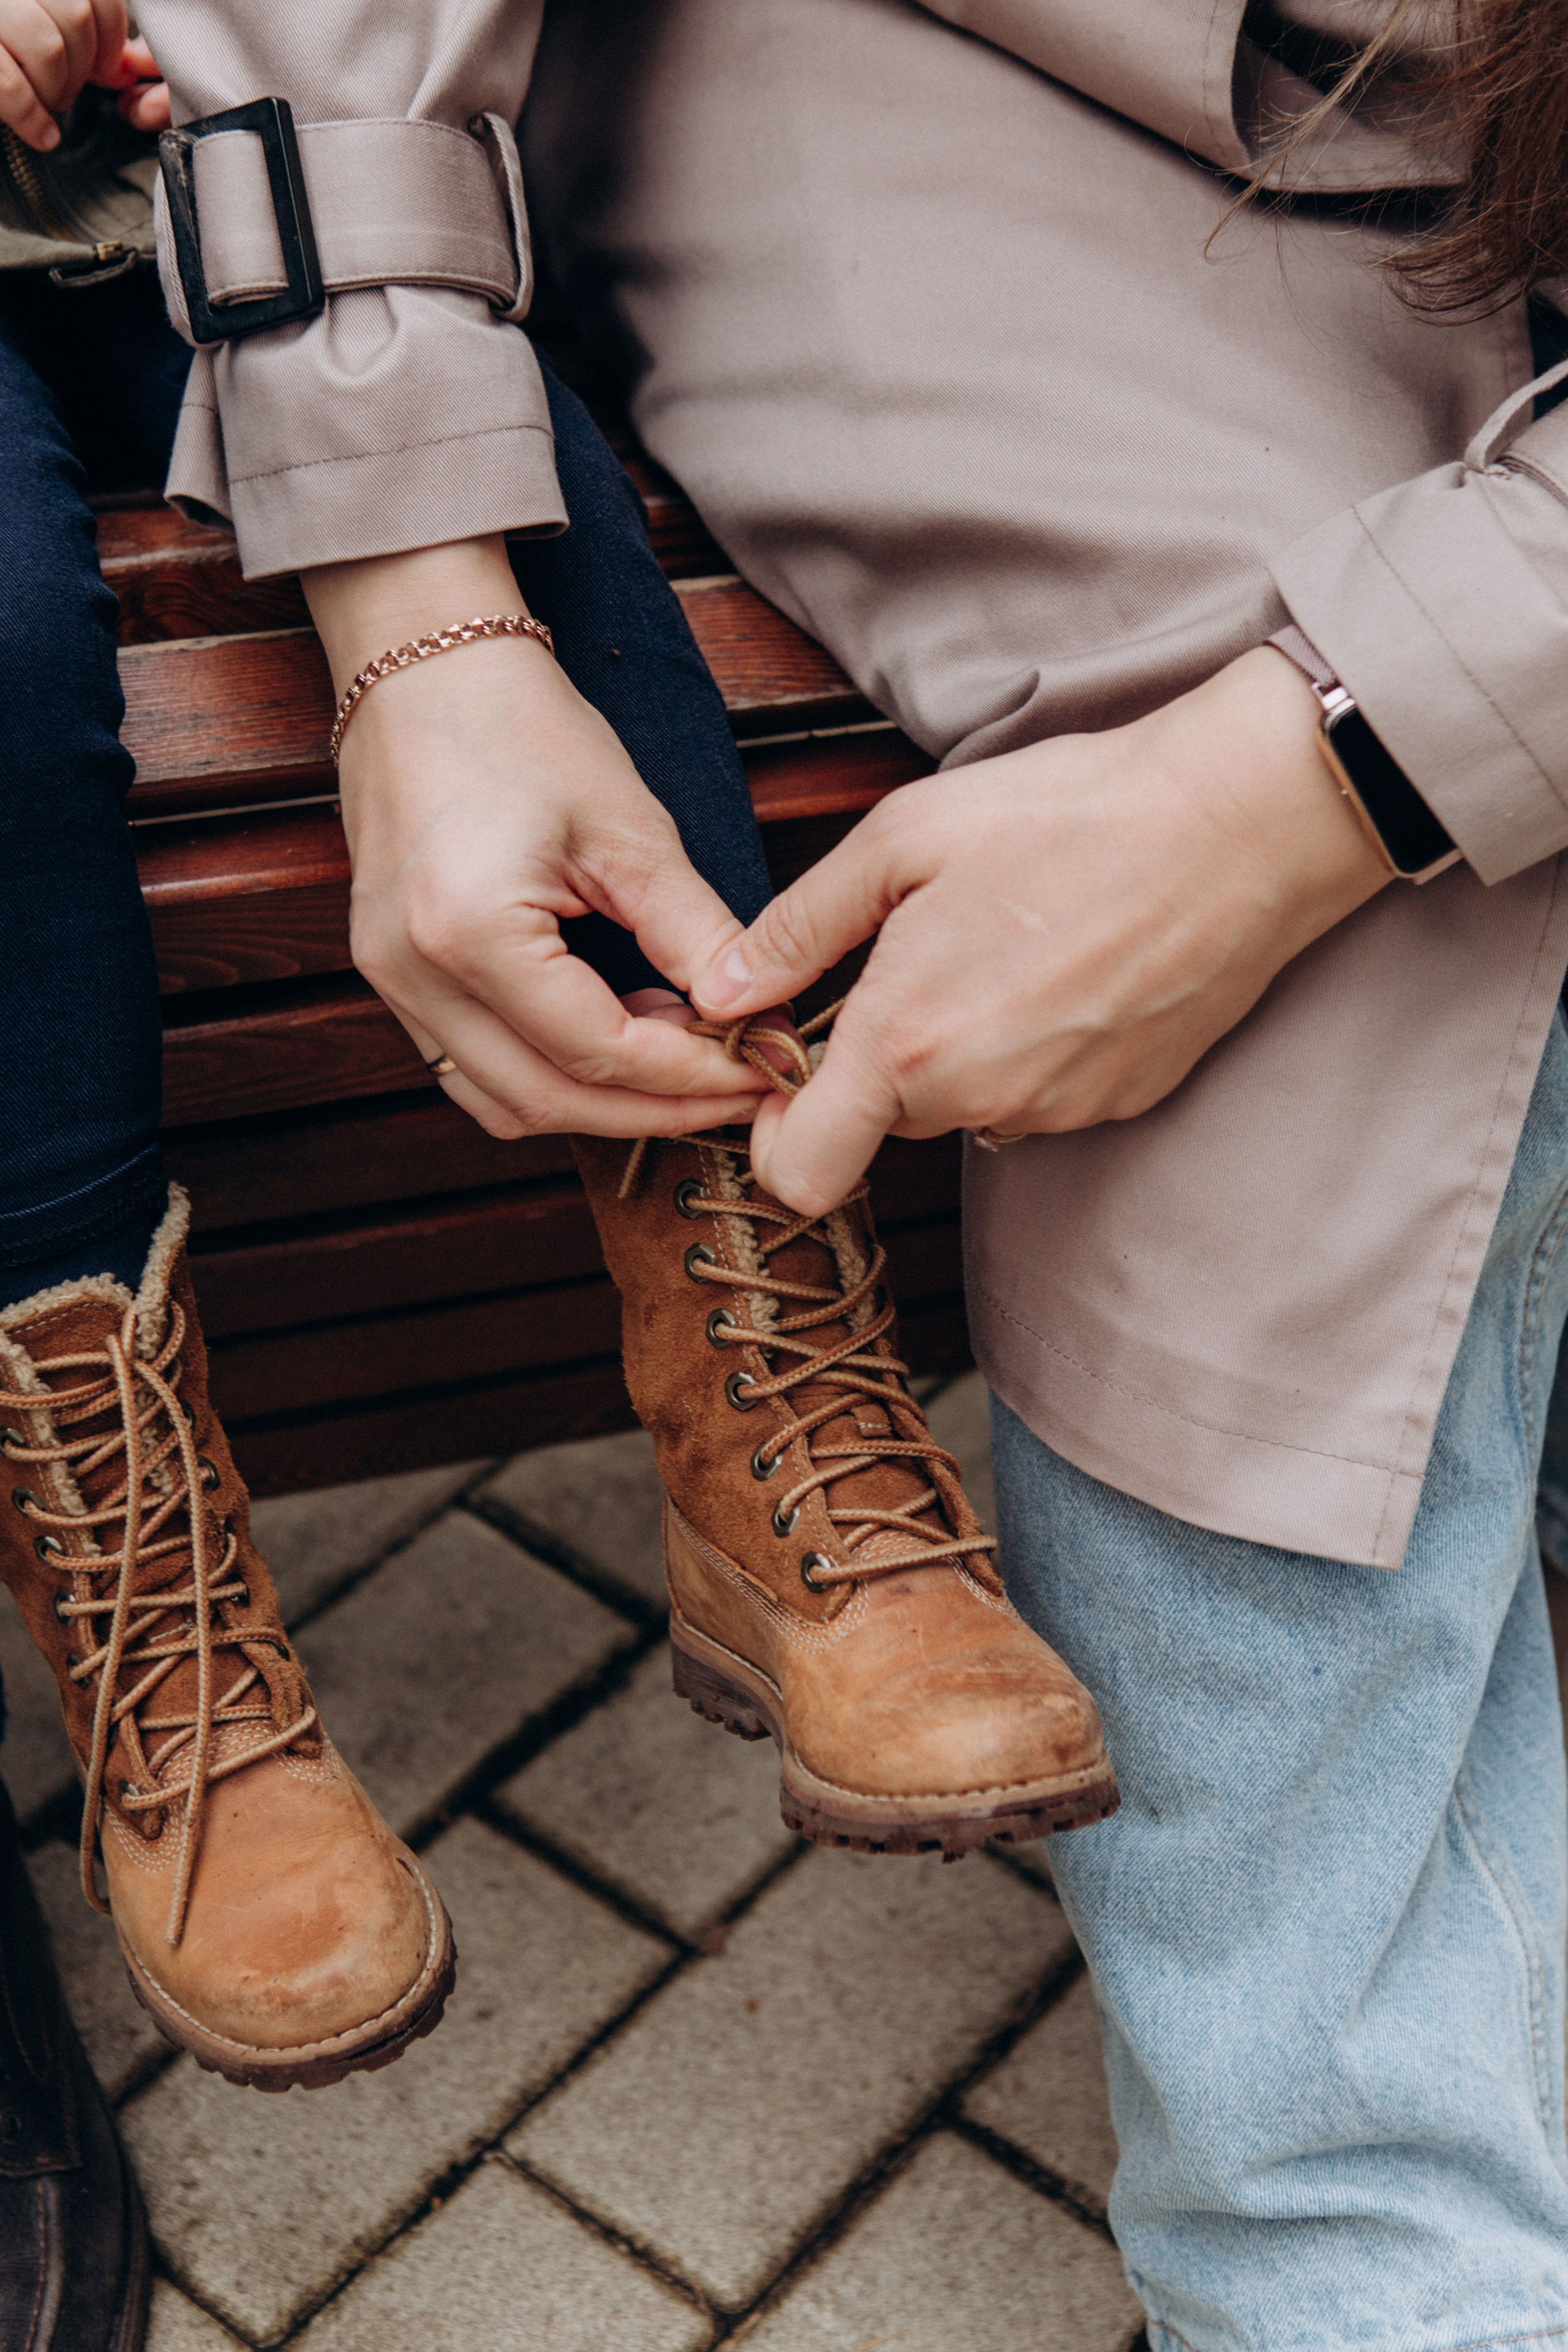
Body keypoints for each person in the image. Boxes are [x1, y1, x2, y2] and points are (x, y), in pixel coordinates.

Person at [126, 0, 1568, 2343]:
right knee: (1305, 1029)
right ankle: (1348, 2212)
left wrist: (1314, 776)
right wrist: (416, 592)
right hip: (1001, 92)